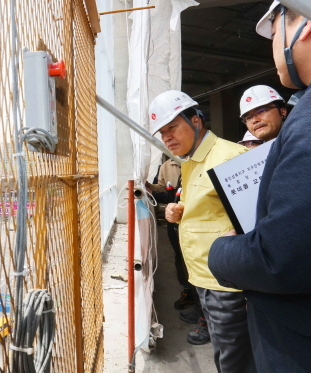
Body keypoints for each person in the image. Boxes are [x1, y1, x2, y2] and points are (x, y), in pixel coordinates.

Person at [209, 2, 311, 372]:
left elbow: (279, 257)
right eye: (248, 117)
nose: (254, 121)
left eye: (273, 30)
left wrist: (219, 251)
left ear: (304, 25)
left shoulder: (305, 125)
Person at [149, 90, 256, 371]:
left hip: (228, 284)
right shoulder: (191, 162)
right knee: (224, 352)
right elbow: (203, 207)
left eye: (172, 127)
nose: (167, 137)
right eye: (162, 132)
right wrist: (176, 211)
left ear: (196, 121)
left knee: (235, 359)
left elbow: (257, 222)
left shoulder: (230, 157)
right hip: (204, 278)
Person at [146, 159, 197, 310]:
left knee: (197, 256)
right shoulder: (166, 166)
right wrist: (149, 188)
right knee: (180, 255)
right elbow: (161, 188)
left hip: (195, 219)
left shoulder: (200, 160)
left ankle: (202, 299)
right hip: (174, 220)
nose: (169, 140)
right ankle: (188, 291)